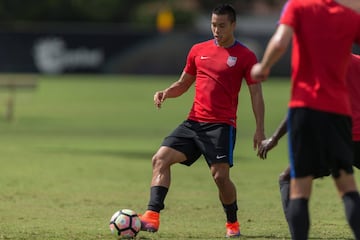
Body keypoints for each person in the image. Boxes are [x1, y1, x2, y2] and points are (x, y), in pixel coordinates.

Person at [139, 3, 265, 238]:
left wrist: (259, 129)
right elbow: (183, 84)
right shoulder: (198, 50)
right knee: (160, 159)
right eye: (213, 25)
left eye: (222, 26)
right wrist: (166, 92)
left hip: (221, 126)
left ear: (233, 25)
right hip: (193, 122)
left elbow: (256, 94)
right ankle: (151, 216)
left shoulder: (246, 56)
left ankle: (232, 223)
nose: (216, 30)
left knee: (220, 177)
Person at [250, 1, 360, 239]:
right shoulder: (350, 17)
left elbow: (280, 41)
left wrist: (264, 66)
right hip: (341, 118)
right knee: (347, 187)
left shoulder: (297, 7)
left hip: (307, 109)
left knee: (298, 186)